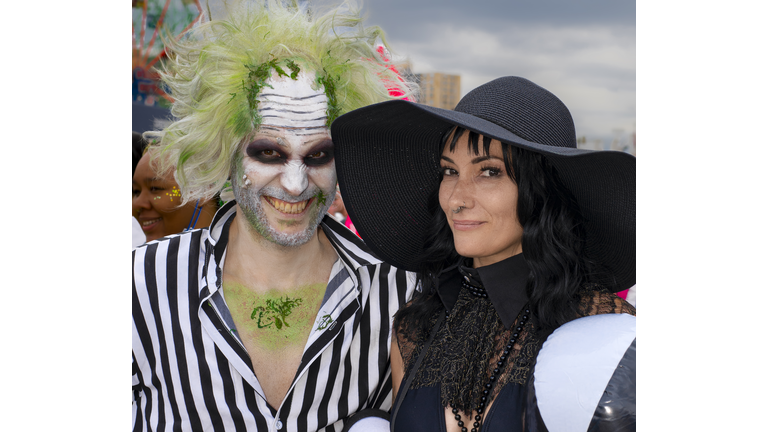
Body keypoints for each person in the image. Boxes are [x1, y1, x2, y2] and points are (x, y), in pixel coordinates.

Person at [132, 1, 418, 431]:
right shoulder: (142, 282)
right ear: (225, 148)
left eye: (319, 155)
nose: (296, 184)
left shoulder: (400, 293)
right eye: (269, 152)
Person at [330, 76, 636, 431]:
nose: (457, 198)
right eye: (449, 171)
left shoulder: (600, 332)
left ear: (540, 192)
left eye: (489, 172)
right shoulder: (416, 326)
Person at [132, 150, 219, 242]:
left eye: (155, 188)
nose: (137, 204)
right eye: (136, 192)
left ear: (205, 190)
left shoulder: (229, 255)